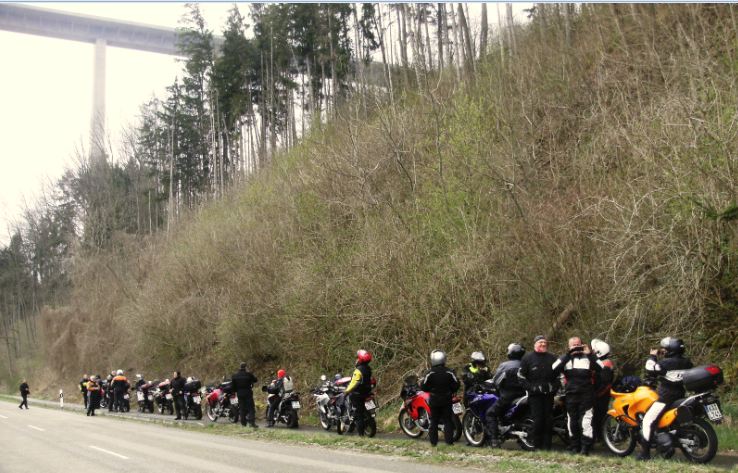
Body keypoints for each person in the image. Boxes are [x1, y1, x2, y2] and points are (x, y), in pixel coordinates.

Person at [637, 337, 693, 461]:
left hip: (666, 397)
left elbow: (649, 368)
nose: (663, 351)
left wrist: (653, 356)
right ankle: (666, 443)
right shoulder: (687, 362)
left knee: (647, 421)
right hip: (680, 394)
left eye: (665, 350)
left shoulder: (665, 363)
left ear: (671, 350)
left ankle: (644, 453)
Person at [552, 337, 601, 455]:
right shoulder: (566, 358)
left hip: (586, 395)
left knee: (586, 422)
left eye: (578, 344)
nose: (576, 347)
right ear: (569, 346)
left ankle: (585, 447)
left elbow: (601, 367)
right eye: (573, 345)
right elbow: (554, 368)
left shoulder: (589, 357)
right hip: (571, 395)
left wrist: (590, 354)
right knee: (572, 421)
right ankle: (574, 446)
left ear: (582, 344)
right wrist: (568, 354)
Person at [517, 335, 559, 450]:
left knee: (548, 420)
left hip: (549, 395)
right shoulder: (527, 358)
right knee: (538, 420)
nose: (543, 344)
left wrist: (554, 387)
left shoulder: (552, 358)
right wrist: (531, 388)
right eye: (540, 342)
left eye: (545, 342)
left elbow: (559, 375)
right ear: (535, 344)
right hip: (535, 395)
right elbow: (521, 376)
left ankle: (547, 447)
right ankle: (537, 446)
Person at [487, 343, 526, 447]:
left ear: (510, 353)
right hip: (524, 394)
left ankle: (494, 440)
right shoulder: (526, 364)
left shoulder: (505, 365)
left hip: (509, 396)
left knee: (490, 414)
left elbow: (496, 381)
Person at [420, 350, 460, 447]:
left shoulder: (429, 373)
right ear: (443, 359)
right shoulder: (449, 372)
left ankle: (433, 443)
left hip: (434, 400)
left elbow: (423, 386)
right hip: (446, 399)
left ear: (433, 360)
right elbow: (456, 384)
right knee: (448, 421)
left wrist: (430, 389)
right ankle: (449, 442)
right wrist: (451, 390)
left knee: (434, 421)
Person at [343, 349, 373, 436]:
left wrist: (346, 391)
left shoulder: (358, 370)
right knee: (362, 411)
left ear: (360, 359)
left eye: (357, 358)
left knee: (359, 415)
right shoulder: (368, 369)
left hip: (358, 394)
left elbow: (354, 383)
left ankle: (361, 435)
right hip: (367, 392)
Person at [591, 338, 615, 442]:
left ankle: (602, 437)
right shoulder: (604, 362)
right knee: (598, 415)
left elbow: (605, 382)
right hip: (600, 393)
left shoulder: (605, 364)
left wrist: (597, 394)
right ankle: (600, 436)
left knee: (600, 416)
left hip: (601, 394)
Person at [231, 362, 258, 428]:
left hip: (240, 393)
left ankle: (243, 424)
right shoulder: (248, 374)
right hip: (248, 392)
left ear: (240, 367)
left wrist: (235, 391)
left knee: (242, 408)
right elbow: (255, 380)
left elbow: (233, 386)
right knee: (251, 408)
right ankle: (252, 423)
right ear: (246, 367)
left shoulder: (235, 375)